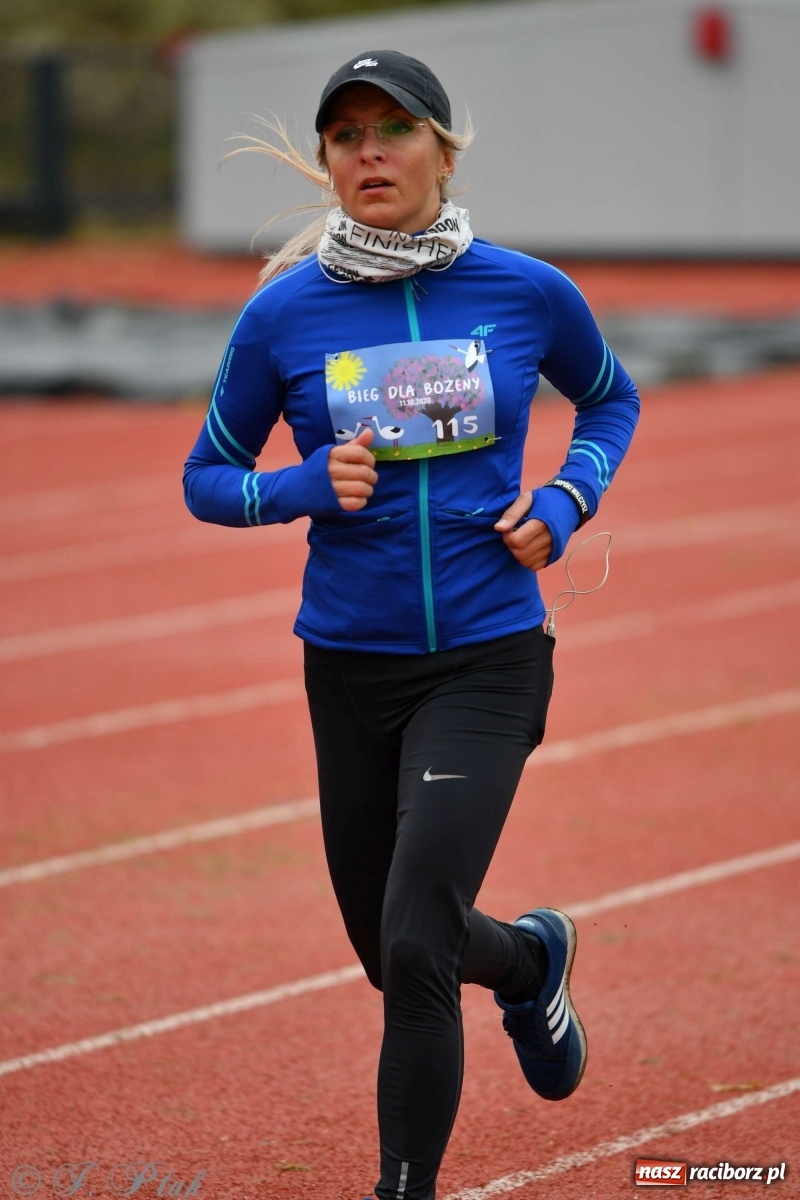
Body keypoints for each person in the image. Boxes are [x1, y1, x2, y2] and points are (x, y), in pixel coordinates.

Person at [183, 50, 640, 1200]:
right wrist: (296, 489)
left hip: (486, 658)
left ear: (443, 149)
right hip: (347, 669)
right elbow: (207, 477)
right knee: (393, 954)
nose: (368, 152)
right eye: (346, 136)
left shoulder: (527, 291)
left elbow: (609, 398)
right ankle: (530, 958)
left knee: (413, 941)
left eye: (393, 130)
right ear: (328, 162)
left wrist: (562, 500)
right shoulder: (282, 315)